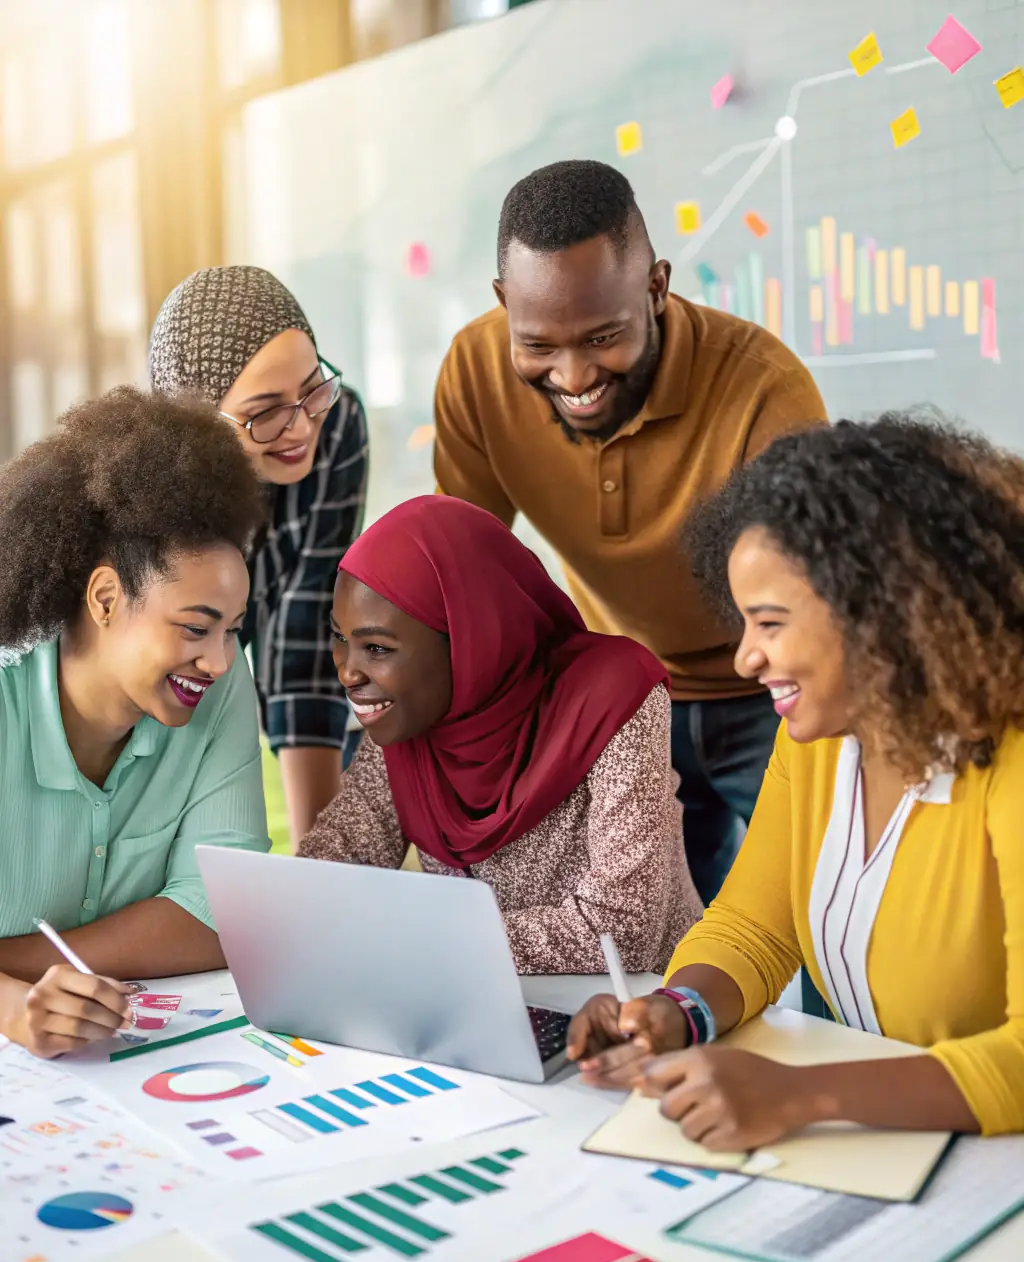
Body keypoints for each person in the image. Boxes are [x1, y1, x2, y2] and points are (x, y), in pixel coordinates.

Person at [568, 414, 1024, 1142]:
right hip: (896, 1149)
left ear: (885, 616)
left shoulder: (1013, 765)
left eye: (770, 623)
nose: (745, 657)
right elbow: (754, 926)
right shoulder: (817, 737)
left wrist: (799, 1095)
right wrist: (679, 1011)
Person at [433, 159, 827, 906]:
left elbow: (811, 605)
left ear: (657, 287)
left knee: (811, 919)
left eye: (603, 336)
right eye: (540, 344)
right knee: (655, 940)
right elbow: (466, 576)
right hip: (627, 698)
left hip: (771, 693)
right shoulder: (475, 373)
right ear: (502, 302)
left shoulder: (765, 390)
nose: (574, 375)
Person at [298, 495, 701, 973]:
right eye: (340, 639)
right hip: (479, 1002)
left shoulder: (613, 698)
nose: (348, 672)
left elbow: (624, 931)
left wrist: (425, 938)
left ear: (471, 639)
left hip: (644, 1013)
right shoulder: (409, 722)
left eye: (377, 648)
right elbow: (333, 864)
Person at [0, 388, 271, 1059]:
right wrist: (11, 1006)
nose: (220, 659)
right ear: (105, 598)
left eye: (233, 629)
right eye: (195, 627)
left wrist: (17, 961)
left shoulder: (220, 685)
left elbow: (225, 914)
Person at [149, 265, 368, 847]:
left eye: (311, 387)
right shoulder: (156, 500)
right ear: (200, 424)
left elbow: (306, 620)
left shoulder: (336, 420)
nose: (301, 427)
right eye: (266, 412)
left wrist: (318, 859)